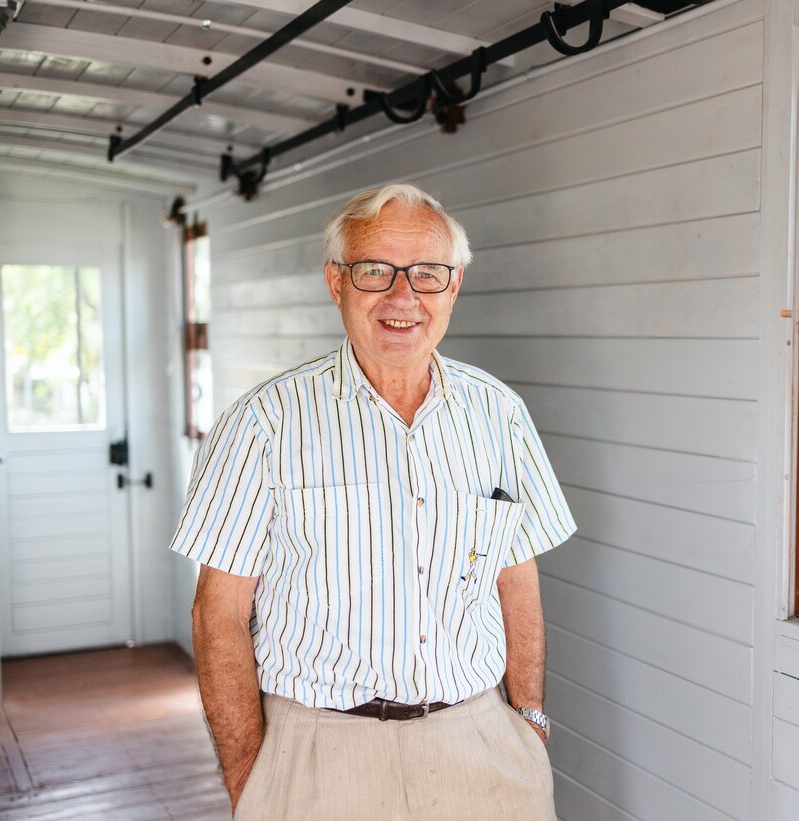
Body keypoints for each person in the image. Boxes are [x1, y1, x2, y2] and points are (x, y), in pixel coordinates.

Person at [169, 183, 576, 820]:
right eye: (375, 271)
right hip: (318, 755)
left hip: (481, 745)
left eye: (427, 274)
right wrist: (252, 777)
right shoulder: (262, 424)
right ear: (337, 282)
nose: (402, 297)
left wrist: (527, 724)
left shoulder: (499, 413)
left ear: (455, 285)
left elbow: (516, 580)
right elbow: (216, 615)